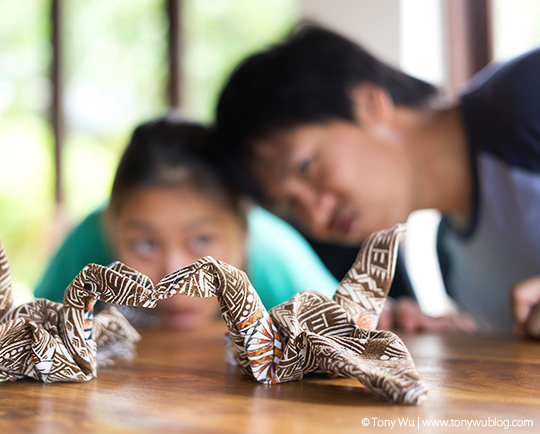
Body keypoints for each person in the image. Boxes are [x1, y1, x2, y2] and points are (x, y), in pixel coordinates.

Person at [214, 24, 540, 338]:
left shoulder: (524, 98)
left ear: (368, 103)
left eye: (305, 167)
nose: (316, 216)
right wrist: (450, 341)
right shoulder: (454, 261)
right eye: (290, 204)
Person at [35, 117, 338, 329]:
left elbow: (351, 329)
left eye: (202, 240)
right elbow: (40, 328)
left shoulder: (276, 261)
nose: (175, 278)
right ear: (111, 229)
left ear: (244, 232)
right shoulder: (89, 242)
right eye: (146, 244)